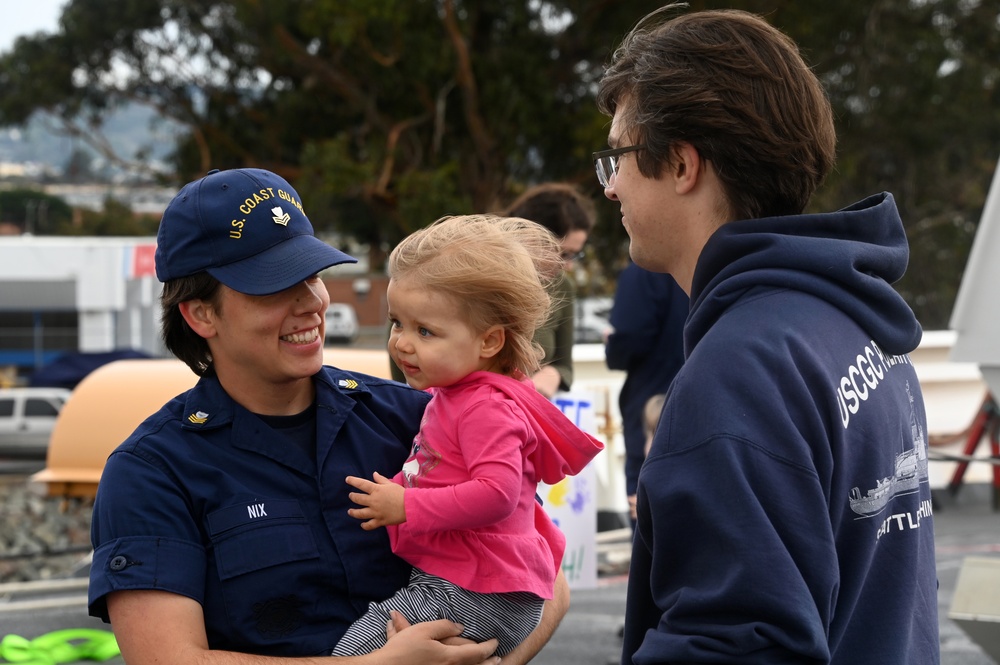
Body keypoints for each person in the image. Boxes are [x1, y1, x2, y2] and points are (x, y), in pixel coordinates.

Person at [87, 168, 569, 665]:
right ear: (200, 314)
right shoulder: (151, 473)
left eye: (312, 274)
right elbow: (168, 659)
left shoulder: (417, 417)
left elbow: (547, 577)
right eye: (273, 286)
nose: (313, 303)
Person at [595, 6, 939, 664]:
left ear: (683, 165)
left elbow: (736, 644)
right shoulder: (855, 322)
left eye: (619, 158)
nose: (611, 189)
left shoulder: (740, 370)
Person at [332, 215, 604, 657]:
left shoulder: (485, 408)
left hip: (476, 590)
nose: (401, 343)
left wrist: (406, 505)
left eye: (425, 331)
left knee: (354, 654)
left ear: (490, 341)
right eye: (397, 323)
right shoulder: (460, 395)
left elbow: (496, 493)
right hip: (479, 584)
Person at [604, 260, 687, 526]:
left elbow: (629, 338)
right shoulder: (719, 264)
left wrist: (612, 347)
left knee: (647, 512)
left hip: (652, 402)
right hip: (704, 402)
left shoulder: (646, 271)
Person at [503, 182, 597, 398]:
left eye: (574, 255)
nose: (568, 266)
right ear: (530, 236)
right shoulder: (478, 281)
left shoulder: (561, 286)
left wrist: (553, 375)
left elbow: (565, 366)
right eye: (563, 253)